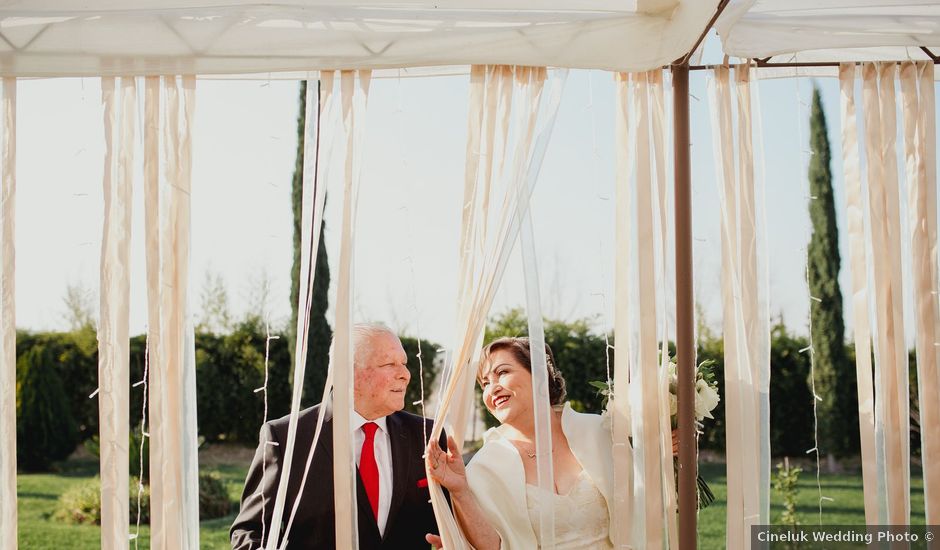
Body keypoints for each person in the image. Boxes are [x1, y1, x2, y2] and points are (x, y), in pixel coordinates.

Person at [231, 323, 444, 549]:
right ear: (347, 373)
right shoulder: (286, 437)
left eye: (404, 364)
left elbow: (448, 525)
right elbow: (249, 532)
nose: (405, 375)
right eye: (389, 364)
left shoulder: (427, 436)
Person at [425, 336, 627, 550]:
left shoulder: (600, 432)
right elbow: (494, 546)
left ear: (539, 374)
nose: (492, 389)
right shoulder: (485, 466)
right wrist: (460, 491)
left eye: (502, 373)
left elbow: (648, 497)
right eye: (484, 383)